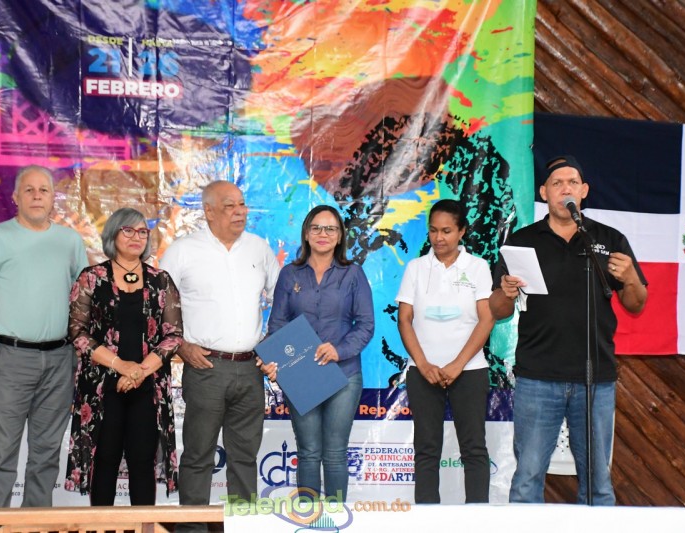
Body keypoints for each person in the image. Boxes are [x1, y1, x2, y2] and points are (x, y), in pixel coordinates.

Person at [489, 155, 648, 505]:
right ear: (544, 192)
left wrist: (631, 278)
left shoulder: (609, 239)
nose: (565, 189)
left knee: (597, 481)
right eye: (557, 183)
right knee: (528, 476)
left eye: (572, 182)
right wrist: (506, 292)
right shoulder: (522, 240)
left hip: (595, 379)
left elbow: (636, 303)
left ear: (584, 190)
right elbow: (498, 310)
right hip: (537, 376)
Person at [0, 165, 88, 508]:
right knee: (1, 450)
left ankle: (35, 523)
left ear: (53, 198)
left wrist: (79, 352)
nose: (36, 196)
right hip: (11, 358)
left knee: (46, 452)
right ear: (16, 197)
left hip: (60, 360)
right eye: (29, 190)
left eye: (43, 190)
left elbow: (85, 300)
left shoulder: (70, 242)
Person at [159, 181, 280, 517]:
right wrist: (180, 346)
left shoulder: (259, 248)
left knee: (245, 457)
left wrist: (274, 346)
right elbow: (157, 305)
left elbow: (283, 299)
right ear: (208, 211)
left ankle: (244, 525)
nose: (240, 212)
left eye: (242, 204)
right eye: (230, 206)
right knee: (199, 455)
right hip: (205, 367)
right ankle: (192, 528)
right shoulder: (183, 251)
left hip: (251, 369)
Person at [64, 207, 181, 505]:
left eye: (142, 232)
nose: (136, 237)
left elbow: (173, 335)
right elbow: (77, 332)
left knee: (143, 462)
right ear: (112, 235)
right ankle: (101, 526)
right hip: (102, 387)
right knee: (104, 461)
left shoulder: (161, 280)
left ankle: (144, 526)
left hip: (147, 386)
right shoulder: (92, 278)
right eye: (128, 230)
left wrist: (138, 371)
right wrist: (120, 366)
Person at [263, 205, 375, 502]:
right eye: (316, 228)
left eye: (330, 229)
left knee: (335, 452)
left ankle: (337, 518)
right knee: (309, 452)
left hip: (344, 373)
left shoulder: (353, 274)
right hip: (300, 373)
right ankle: (308, 517)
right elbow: (277, 323)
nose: (323, 234)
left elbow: (366, 324)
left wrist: (339, 350)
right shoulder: (290, 274)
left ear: (339, 236)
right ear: (306, 234)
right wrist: (278, 360)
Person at [395, 199, 494, 504]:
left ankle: (476, 517)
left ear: (462, 231)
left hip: (470, 371)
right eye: (434, 230)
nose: (439, 238)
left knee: (474, 449)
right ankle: (427, 519)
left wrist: (457, 365)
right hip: (423, 372)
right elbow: (404, 319)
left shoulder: (478, 267)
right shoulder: (416, 268)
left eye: (447, 231)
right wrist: (423, 364)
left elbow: (487, 319)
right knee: (426, 450)